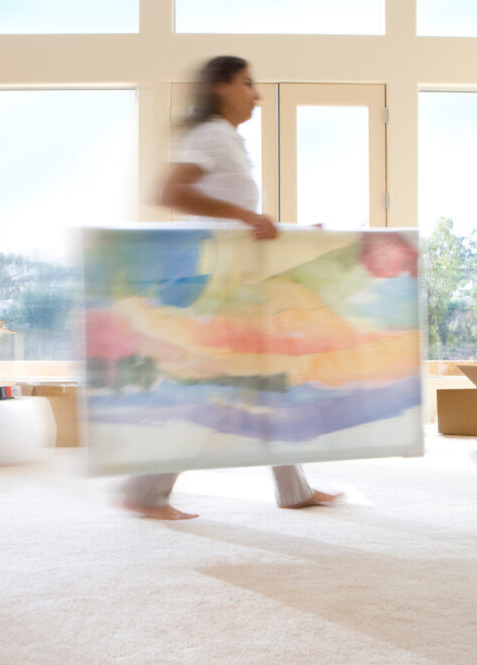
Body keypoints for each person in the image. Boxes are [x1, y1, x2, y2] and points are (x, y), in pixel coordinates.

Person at [122, 55, 343, 520]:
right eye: (247, 83)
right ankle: (144, 490)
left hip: (238, 285)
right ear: (220, 86)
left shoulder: (227, 138)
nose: (256, 94)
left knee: (269, 381)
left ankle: (294, 488)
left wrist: (295, 233)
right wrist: (247, 216)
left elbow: (242, 227)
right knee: (213, 389)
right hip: (220, 288)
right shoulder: (211, 135)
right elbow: (169, 192)